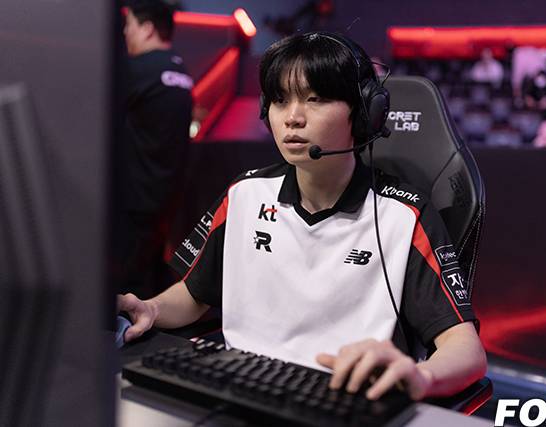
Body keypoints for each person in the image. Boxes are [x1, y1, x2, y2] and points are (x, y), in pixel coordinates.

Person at [118, 32, 486, 401]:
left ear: (364, 113)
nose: (292, 118)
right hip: (237, 391)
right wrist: (152, 308)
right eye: (280, 100)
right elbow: (193, 295)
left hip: (346, 400)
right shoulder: (244, 194)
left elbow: (466, 349)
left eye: (316, 99)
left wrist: (421, 376)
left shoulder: (404, 216)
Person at [114, 0, 193, 300]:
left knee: (125, 291)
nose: (125, 32)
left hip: (131, 201)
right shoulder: (181, 72)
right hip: (165, 200)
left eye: (129, 25)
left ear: (147, 29)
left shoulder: (133, 70)